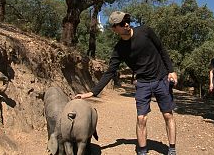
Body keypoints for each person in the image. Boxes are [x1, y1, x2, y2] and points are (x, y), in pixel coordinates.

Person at [76, 11, 178, 155]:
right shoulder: (119, 50)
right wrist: (92, 92)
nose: (127, 24)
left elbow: (161, 49)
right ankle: (142, 151)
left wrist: (171, 71)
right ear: (114, 29)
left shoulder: (145, 31)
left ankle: (172, 149)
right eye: (122, 23)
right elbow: (110, 72)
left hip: (161, 78)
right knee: (141, 118)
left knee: (168, 115)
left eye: (127, 20)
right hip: (142, 83)